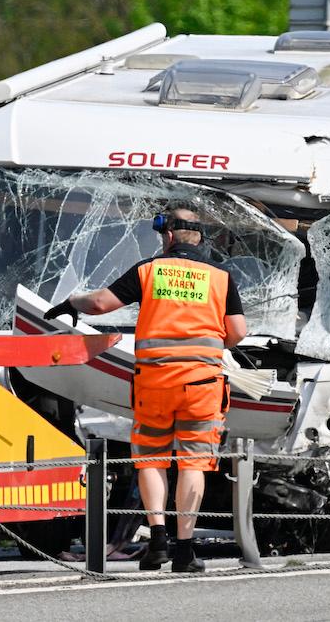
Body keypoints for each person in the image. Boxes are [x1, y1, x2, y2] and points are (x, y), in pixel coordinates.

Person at [44, 206, 246, 572]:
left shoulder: (149, 271)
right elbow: (237, 332)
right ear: (198, 237)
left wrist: (72, 302)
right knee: (192, 464)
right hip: (202, 387)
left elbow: (102, 303)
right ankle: (185, 552)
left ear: (167, 236)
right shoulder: (220, 277)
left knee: (151, 460)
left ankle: (157, 543)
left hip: (154, 384)